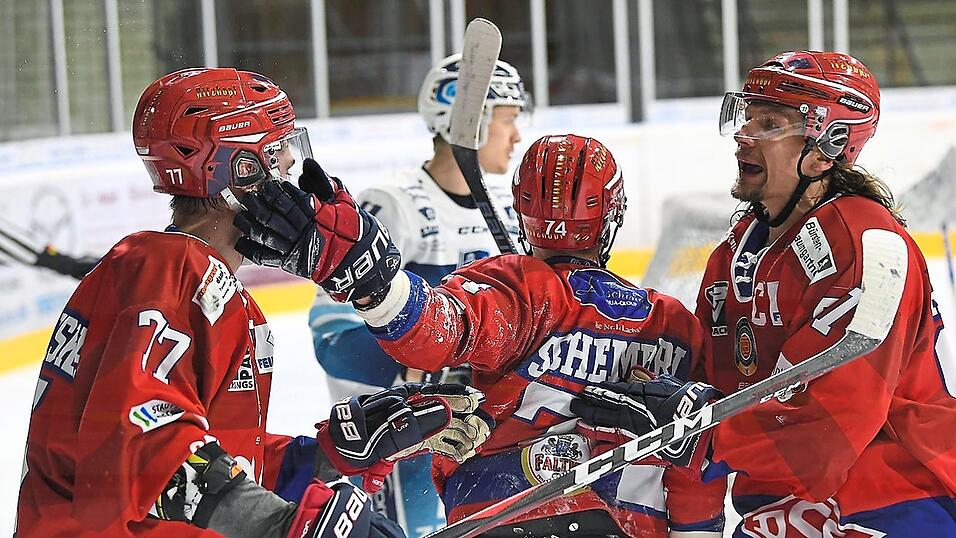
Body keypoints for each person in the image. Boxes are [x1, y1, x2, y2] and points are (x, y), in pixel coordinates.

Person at [16, 67, 495, 538]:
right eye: (281, 152)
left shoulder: (210, 289)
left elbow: (224, 464)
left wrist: (335, 454)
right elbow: (143, 450)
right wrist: (285, 525)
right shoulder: (166, 269)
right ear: (242, 172)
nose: (294, 172)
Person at [234, 134, 727, 536]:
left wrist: (368, 277)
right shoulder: (674, 326)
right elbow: (697, 465)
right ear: (613, 214)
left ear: (522, 210)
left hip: (505, 517)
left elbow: (431, 330)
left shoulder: (519, 290)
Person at [572, 51, 956, 536]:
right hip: (786, 511)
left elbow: (830, 433)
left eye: (769, 123)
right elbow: (714, 393)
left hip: (901, 499)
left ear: (825, 147)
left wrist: (698, 438)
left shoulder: (863, 244)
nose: (743, 134)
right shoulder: (731, 258)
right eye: (748, 116)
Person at [307, 53, 527, 535]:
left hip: (477, 435)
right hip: (396, 439)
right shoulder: (395, 203)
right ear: (468, 118)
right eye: (508, 119)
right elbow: (332, 333)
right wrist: (418, 364)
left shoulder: (509, 210)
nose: (515, 136)